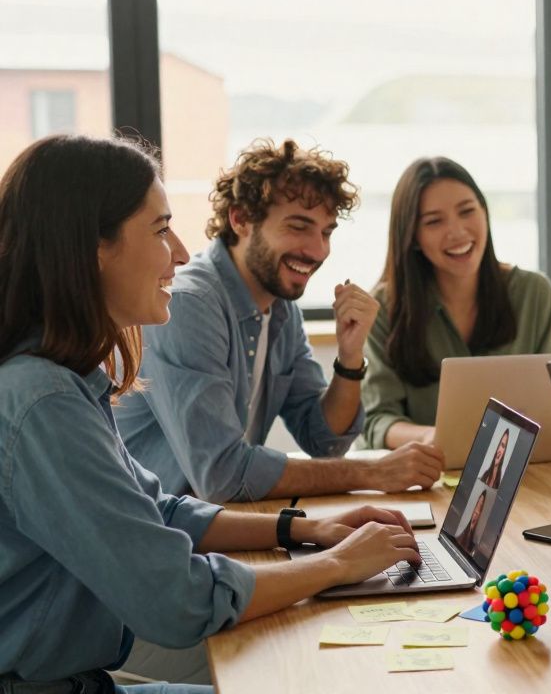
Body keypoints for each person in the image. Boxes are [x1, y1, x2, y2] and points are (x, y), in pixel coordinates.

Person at [0, 135, 423, 693]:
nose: (178, 250)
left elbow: (163, 509)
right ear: (91, 246)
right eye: (159, 229)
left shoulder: (65, 377)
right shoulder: (44, 399)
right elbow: (177, 596)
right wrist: (337, 565)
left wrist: (308, 528)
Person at [115, 139, 444, 503]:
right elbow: (222, 474)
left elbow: (324, 440)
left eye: (326, 232)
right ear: (240, 219)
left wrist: (350, 359)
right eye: (299, 226)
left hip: (214, 524)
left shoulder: (280, 308)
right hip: (156, 532)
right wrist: (372, 472)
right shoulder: (189, 305)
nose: (318, 250)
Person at [358, 157, 551, 450]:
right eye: (434, 221)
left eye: (467, 211)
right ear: (413, 237)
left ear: (485, 213)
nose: (457, 232)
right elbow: (377, 420)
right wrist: (432, 438)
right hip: (420, 477)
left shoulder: (534, 293)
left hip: (516, 473)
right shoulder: (383, 307)